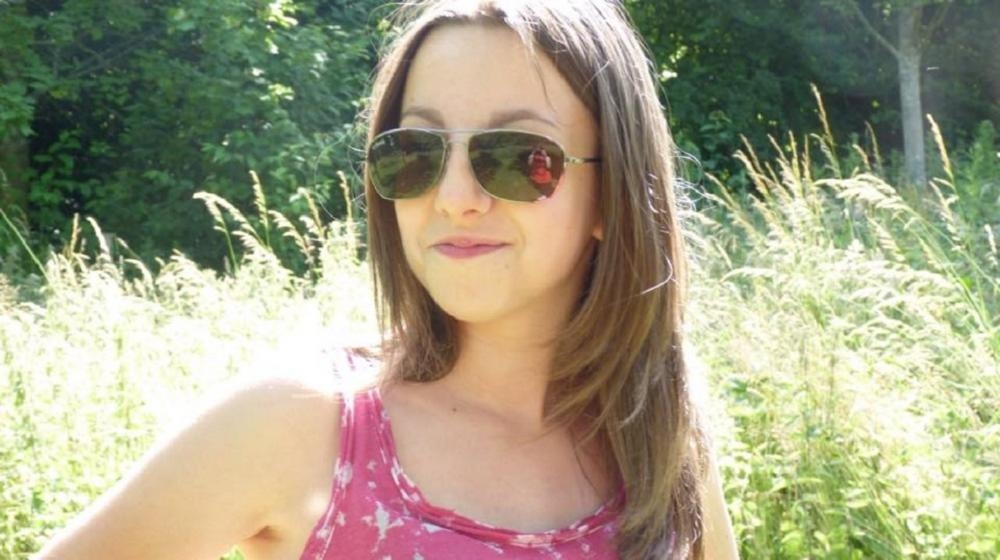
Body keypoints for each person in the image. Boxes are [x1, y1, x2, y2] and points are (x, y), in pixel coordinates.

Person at [36, 1, 739, 558]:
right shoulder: (302, 425)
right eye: (416, 154)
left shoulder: (658, 430)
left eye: (519, 157)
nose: (454, 197)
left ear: (613, 194)